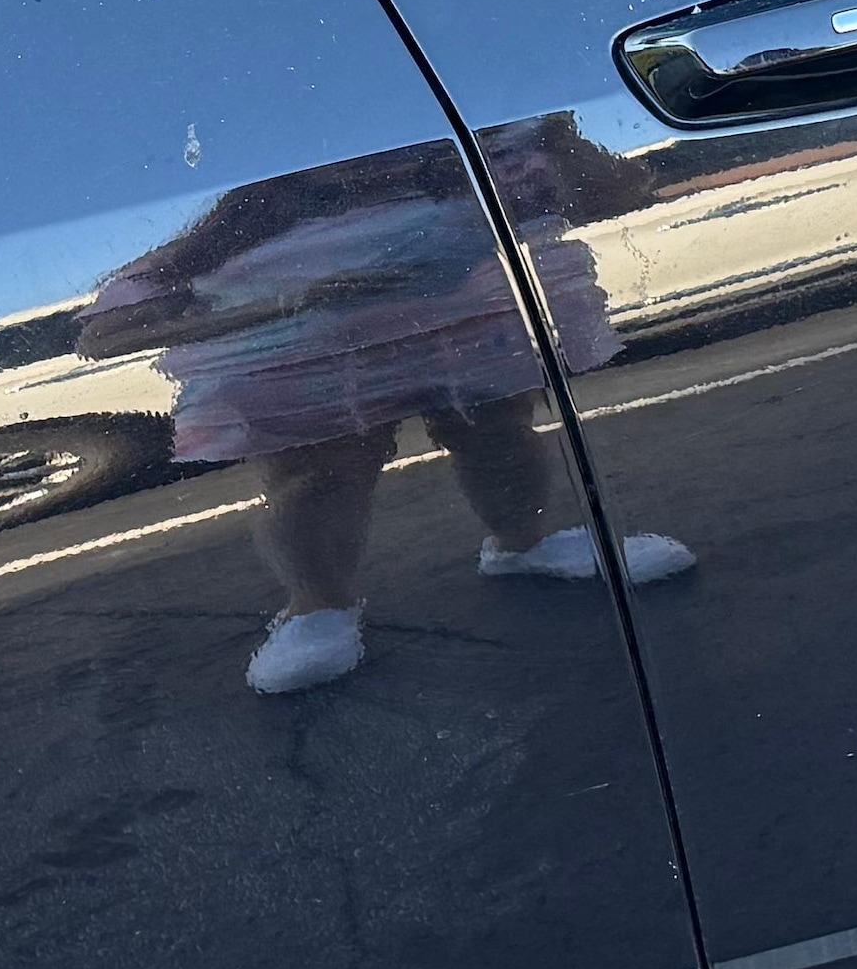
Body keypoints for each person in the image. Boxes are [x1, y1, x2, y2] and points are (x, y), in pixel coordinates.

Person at [81, 122, 693, 697]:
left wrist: (560, 135)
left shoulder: (488, 154)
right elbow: (108, 330)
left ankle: (523, 543)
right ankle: (318, 607)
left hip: (466, 321)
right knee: (321, 474)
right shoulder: (258, 208)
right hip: (306, 356)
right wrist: (294, 302)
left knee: (496, 431)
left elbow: (621, 193)